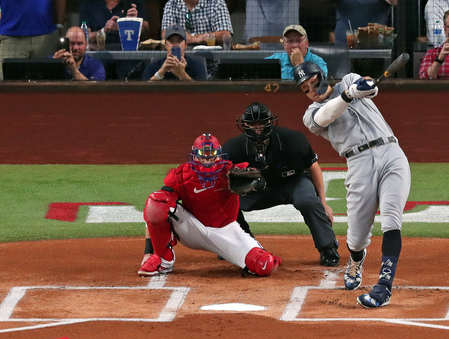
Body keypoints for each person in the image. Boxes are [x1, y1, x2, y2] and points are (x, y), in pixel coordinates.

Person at [292, 61, 410, 309]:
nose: (312, 89)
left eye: (313, 81)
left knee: (391, 219)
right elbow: (328, 114)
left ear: (322, 75)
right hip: (358, 163)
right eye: (305, 89)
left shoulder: (348, 80)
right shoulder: (310, 115)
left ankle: (383, 287)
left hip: (391, 153)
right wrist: (348, 95)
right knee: (356, 239)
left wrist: (363, 85)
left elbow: (370, 87)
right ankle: (356, 259)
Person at [138, 134, 281, 277]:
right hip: (191, 228)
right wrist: (148, 251)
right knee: (156, 202)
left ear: (219, 156)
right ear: (194, 156)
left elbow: (260, 179)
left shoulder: (230, 172)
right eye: (203, 156)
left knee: (264, 265)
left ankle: (250, 253)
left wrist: (257, 182)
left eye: (211, 156)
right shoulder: (181, 175)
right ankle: (163, 260)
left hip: (226, 231)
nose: (207, 161)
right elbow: (155, 208)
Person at [222, 102, 339, 266]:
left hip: (293, 184)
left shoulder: (293, 139)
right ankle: (242, 244)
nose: (258, 128)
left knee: (308, 201)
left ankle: (328, 248)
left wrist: (323, 202)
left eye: (262, 123)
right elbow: (221, 178)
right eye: (253, 124)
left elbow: (313, 167)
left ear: (270, 122)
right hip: (258, 190)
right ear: (245, 125)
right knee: (225, 202)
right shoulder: (233, 147)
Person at [79, 0, 149, 80]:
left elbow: (148, 33)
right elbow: (84, 37)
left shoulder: (135, 1)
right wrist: (103, 31)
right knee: (95, 68)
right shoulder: (89, 5)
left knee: (132, 69)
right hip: (100, 54)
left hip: (128, 54)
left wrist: (136, 22)